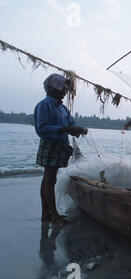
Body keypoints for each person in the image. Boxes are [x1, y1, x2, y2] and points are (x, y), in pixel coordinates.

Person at [34, 73, 88, 225]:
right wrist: (65, 128)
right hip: (50, 144)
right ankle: (53, 215)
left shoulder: (63, 108)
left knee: (49, 179)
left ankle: (46, 212)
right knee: (49, 179)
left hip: (60, 146)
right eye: (63, 89)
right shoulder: (44, 105)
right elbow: (42, 128)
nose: (65, 92)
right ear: (52, 88)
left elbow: (71, 124)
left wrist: (78, 129)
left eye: (66, 89)